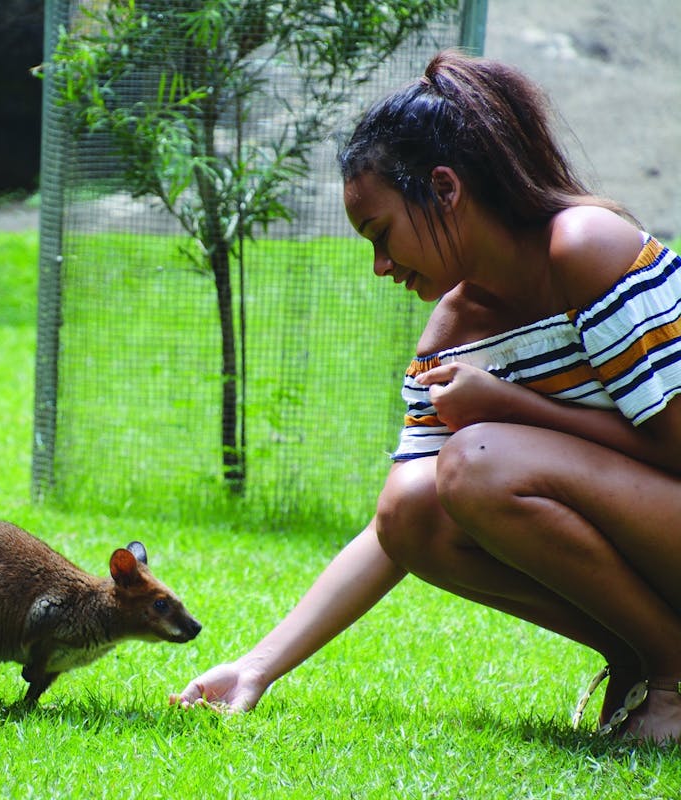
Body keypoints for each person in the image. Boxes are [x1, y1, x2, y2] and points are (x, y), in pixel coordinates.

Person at [169, 49, 681, 744]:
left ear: (446, 189)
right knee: (413, 506)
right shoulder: (452, 334)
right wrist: (257, 667)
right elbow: (391, 532)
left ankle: (672, 671)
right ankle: (637, 653)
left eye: (381, 234)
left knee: (479, 460)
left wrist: (511, 407)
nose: (380, 266)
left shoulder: (588, 246)